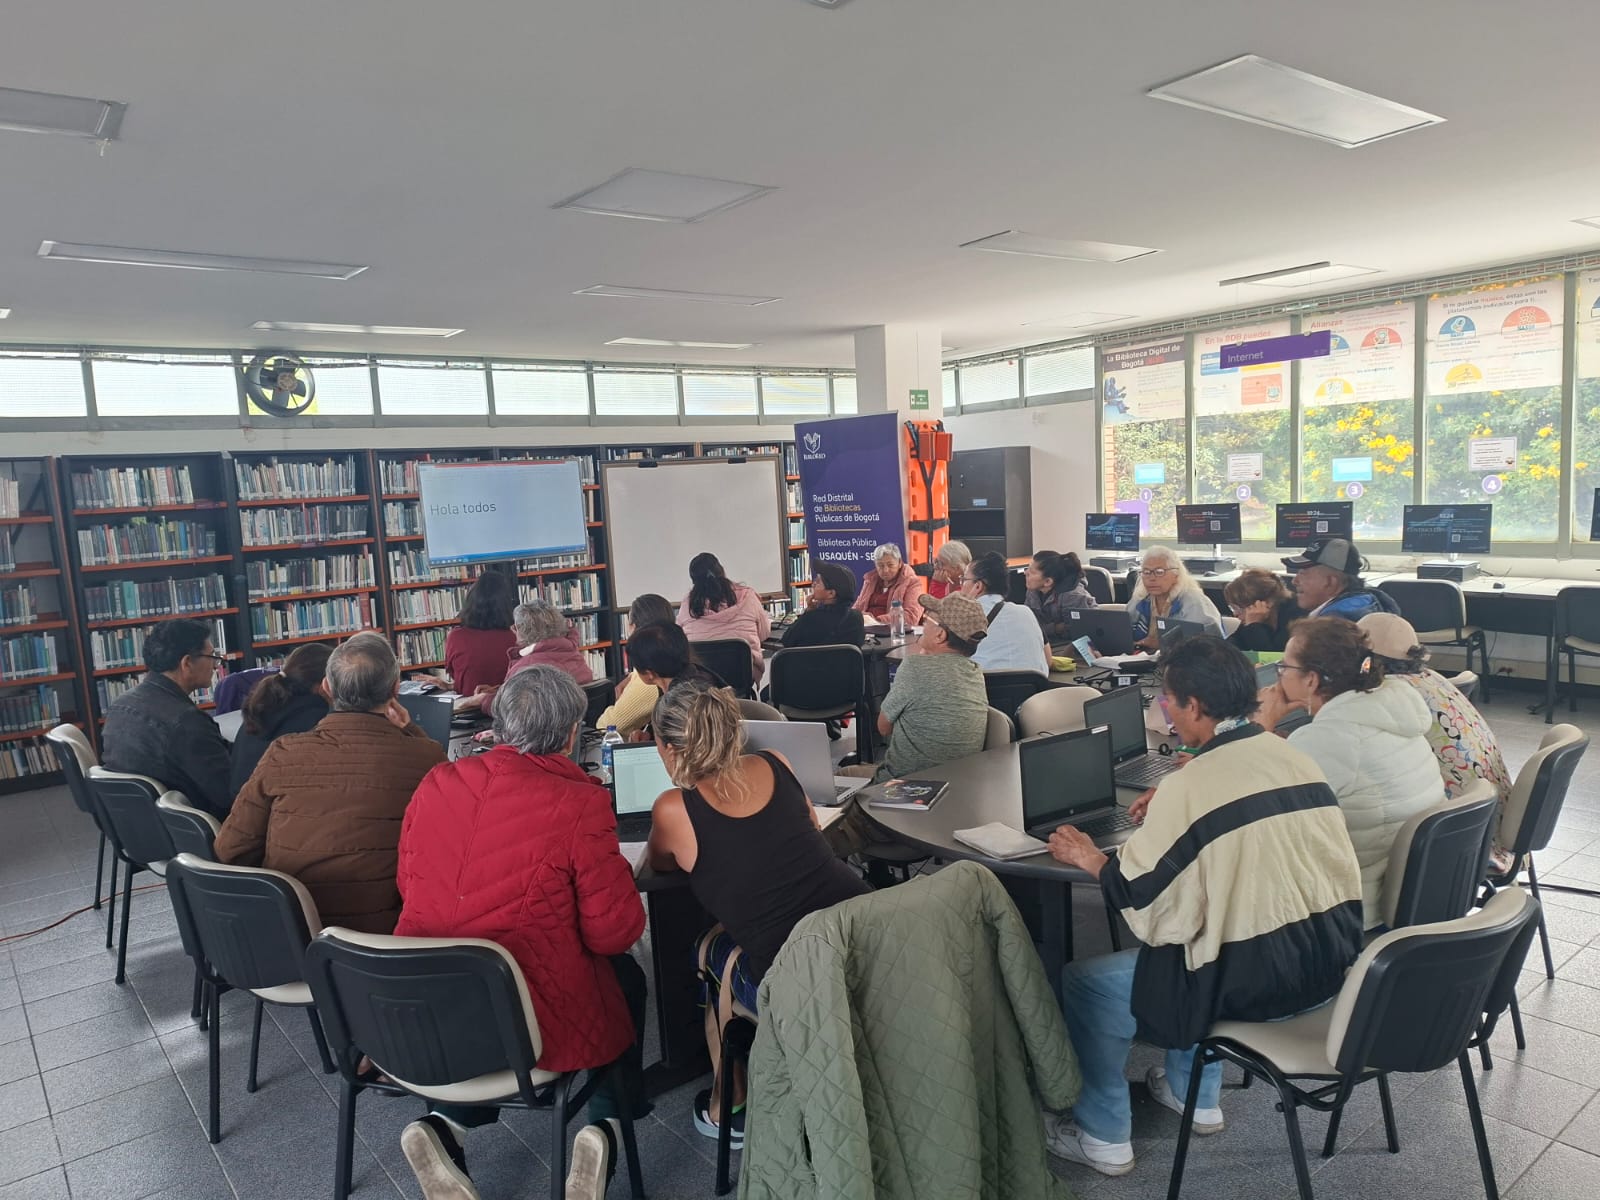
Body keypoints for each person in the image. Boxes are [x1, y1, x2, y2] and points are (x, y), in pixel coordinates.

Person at [1043, 636, 1364, 1177]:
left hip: (1255, 985)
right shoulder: (1291, 754)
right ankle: (1196, 1094)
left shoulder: (1190, 787)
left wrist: (1091, 858)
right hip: (1332, 966)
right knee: (1216, 924)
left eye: (1167, 701)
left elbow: (1146, 904)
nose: (1165, 710)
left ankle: (1102, 1135)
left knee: (1091, 980)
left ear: (1193, 707)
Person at [394, 666, 648, 1200]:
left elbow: (408, 881)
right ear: (573, 734)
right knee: (624, 980)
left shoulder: (436, 781)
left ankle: (444, 1125)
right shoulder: (580, 802)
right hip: (524, 1014)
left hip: (420, 998)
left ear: (500, 724)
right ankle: (601, 1128)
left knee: (485, 994)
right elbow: (613, 933)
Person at [646, 682, 870, 1144]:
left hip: (798, 971)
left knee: (714, 957)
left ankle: (729, 1106)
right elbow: (812, 831)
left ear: (666, 748)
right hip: (864, 927)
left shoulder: (674, 808)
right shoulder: (777, 764)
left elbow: (659, 864)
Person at [215, 633, 446, 932]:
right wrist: (411, 730)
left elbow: (229, 850)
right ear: (395, 689)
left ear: (327, 688)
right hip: (385, 942)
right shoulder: (425, 756)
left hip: (292, 935)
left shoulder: (283, 751)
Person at [1256, 617, 1443, 930]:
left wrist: (1259, 728)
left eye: (1284, 667)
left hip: (1348, 908)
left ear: (1311, 680)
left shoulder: (1330, 739)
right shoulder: (1388, 711)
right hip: (1401, 890)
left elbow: (1251, 811)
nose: (1278, 676)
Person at [1360, 612, 1515, 867]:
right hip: (1490, 820)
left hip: (1462, 835)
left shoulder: (1391, 693)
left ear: (1366, 661)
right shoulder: (1431, 678)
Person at [845, 592, 990, 784]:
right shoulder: (975, 672)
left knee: (843, 775)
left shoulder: (914, 667)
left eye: (928, 619)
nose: (923, 623)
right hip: (957, 784)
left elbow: (883, 727)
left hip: (903, 784)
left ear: (940, 635)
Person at [101, 617, 234, 818]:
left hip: (140, 826)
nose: (216, 666)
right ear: (187, 663)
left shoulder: (120, 704)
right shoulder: (187, 722)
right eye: (212, 657)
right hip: (196, 830)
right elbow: (229, 795)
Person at [228, 642, 332, 796]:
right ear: (324, 684)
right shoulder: (318, 721)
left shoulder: (260, 710)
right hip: (276, 814)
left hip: (242, 812)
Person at [468, 599, 595, 718]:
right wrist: (499, 691)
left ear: (522, 630)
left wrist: (485, 700)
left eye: (515, 627)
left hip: (543, 734)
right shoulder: (572, 653)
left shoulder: (527, 667)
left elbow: (514, 709)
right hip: (578, 731)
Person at [593, 593, 677, 736]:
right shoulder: (675, 653)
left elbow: (608, 726)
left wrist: (619, 701)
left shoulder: (649, 680)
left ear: (634, 627)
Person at [677, 552, 771, 678]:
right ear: (721, 570)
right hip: (743, 675)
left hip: (702, 680)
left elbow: (680, 639)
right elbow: (764, 633)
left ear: (694, 580)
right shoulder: (748, 596)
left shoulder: (687, 604)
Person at [961, 552, 1050, 675]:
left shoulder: (963, 617)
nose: (961, 586)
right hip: (1033, 692)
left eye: (963, 580)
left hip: (984, 691)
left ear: (978, 586)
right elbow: (1048, 660)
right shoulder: (1026, 612)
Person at [1127, 547, 1222, 652]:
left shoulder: (1194, 602)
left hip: (1184, 664)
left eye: (1159, 572)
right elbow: (1124, 633)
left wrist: (1163, 644)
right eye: (1146, 572)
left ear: (1176, 574)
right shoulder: (1140, 600)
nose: (1151, 578)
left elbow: (1211, 645)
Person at [1282, 537, 1401, 621]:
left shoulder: (1334, 626)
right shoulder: (1367, 602)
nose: (1294, 581)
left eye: (1303, 573)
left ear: (1330, 582)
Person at [443, 572, 518, 697]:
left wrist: (448, 686)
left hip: (466, 710)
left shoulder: (456, 637)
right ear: (506, 605)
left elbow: (458, 676)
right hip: (505, 710)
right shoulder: (514, 638)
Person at [781, 562, 865, 648]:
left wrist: (808, 611)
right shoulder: (856, 618)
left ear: (831, 593)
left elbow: (787, 640)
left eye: (817, 582)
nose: (813, 584)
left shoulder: (810, 618)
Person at [1222, 568, 1301, 653]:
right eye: (1233, 608)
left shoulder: (1295, 616)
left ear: (1266, 603)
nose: (1235, 614)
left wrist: (1254, 625)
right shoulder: (1251, 618)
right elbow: (1232, 644)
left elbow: (1271, 656)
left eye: (1239, 608)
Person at [1024, 550, 1096, 643]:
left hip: (1071, 644)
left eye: (1032, 572)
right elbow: (1029, 624)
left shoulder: (1072, 596)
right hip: (1045, 640)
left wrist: (1047, 629)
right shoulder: (1033, 590)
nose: (1025, 573)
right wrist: (1055, 628)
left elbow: (1076, 632)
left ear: (1048, 582)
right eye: (1027, 569)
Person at [851, 543, 925, 626]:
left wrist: (875, 621)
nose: (885, 570)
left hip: (891, 633)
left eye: (890, 565)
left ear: (900, 563)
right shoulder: (870, 580)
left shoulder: (912, 582)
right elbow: (857, 608)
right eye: (880, 565)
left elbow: (911, 617)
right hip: (865, 630)